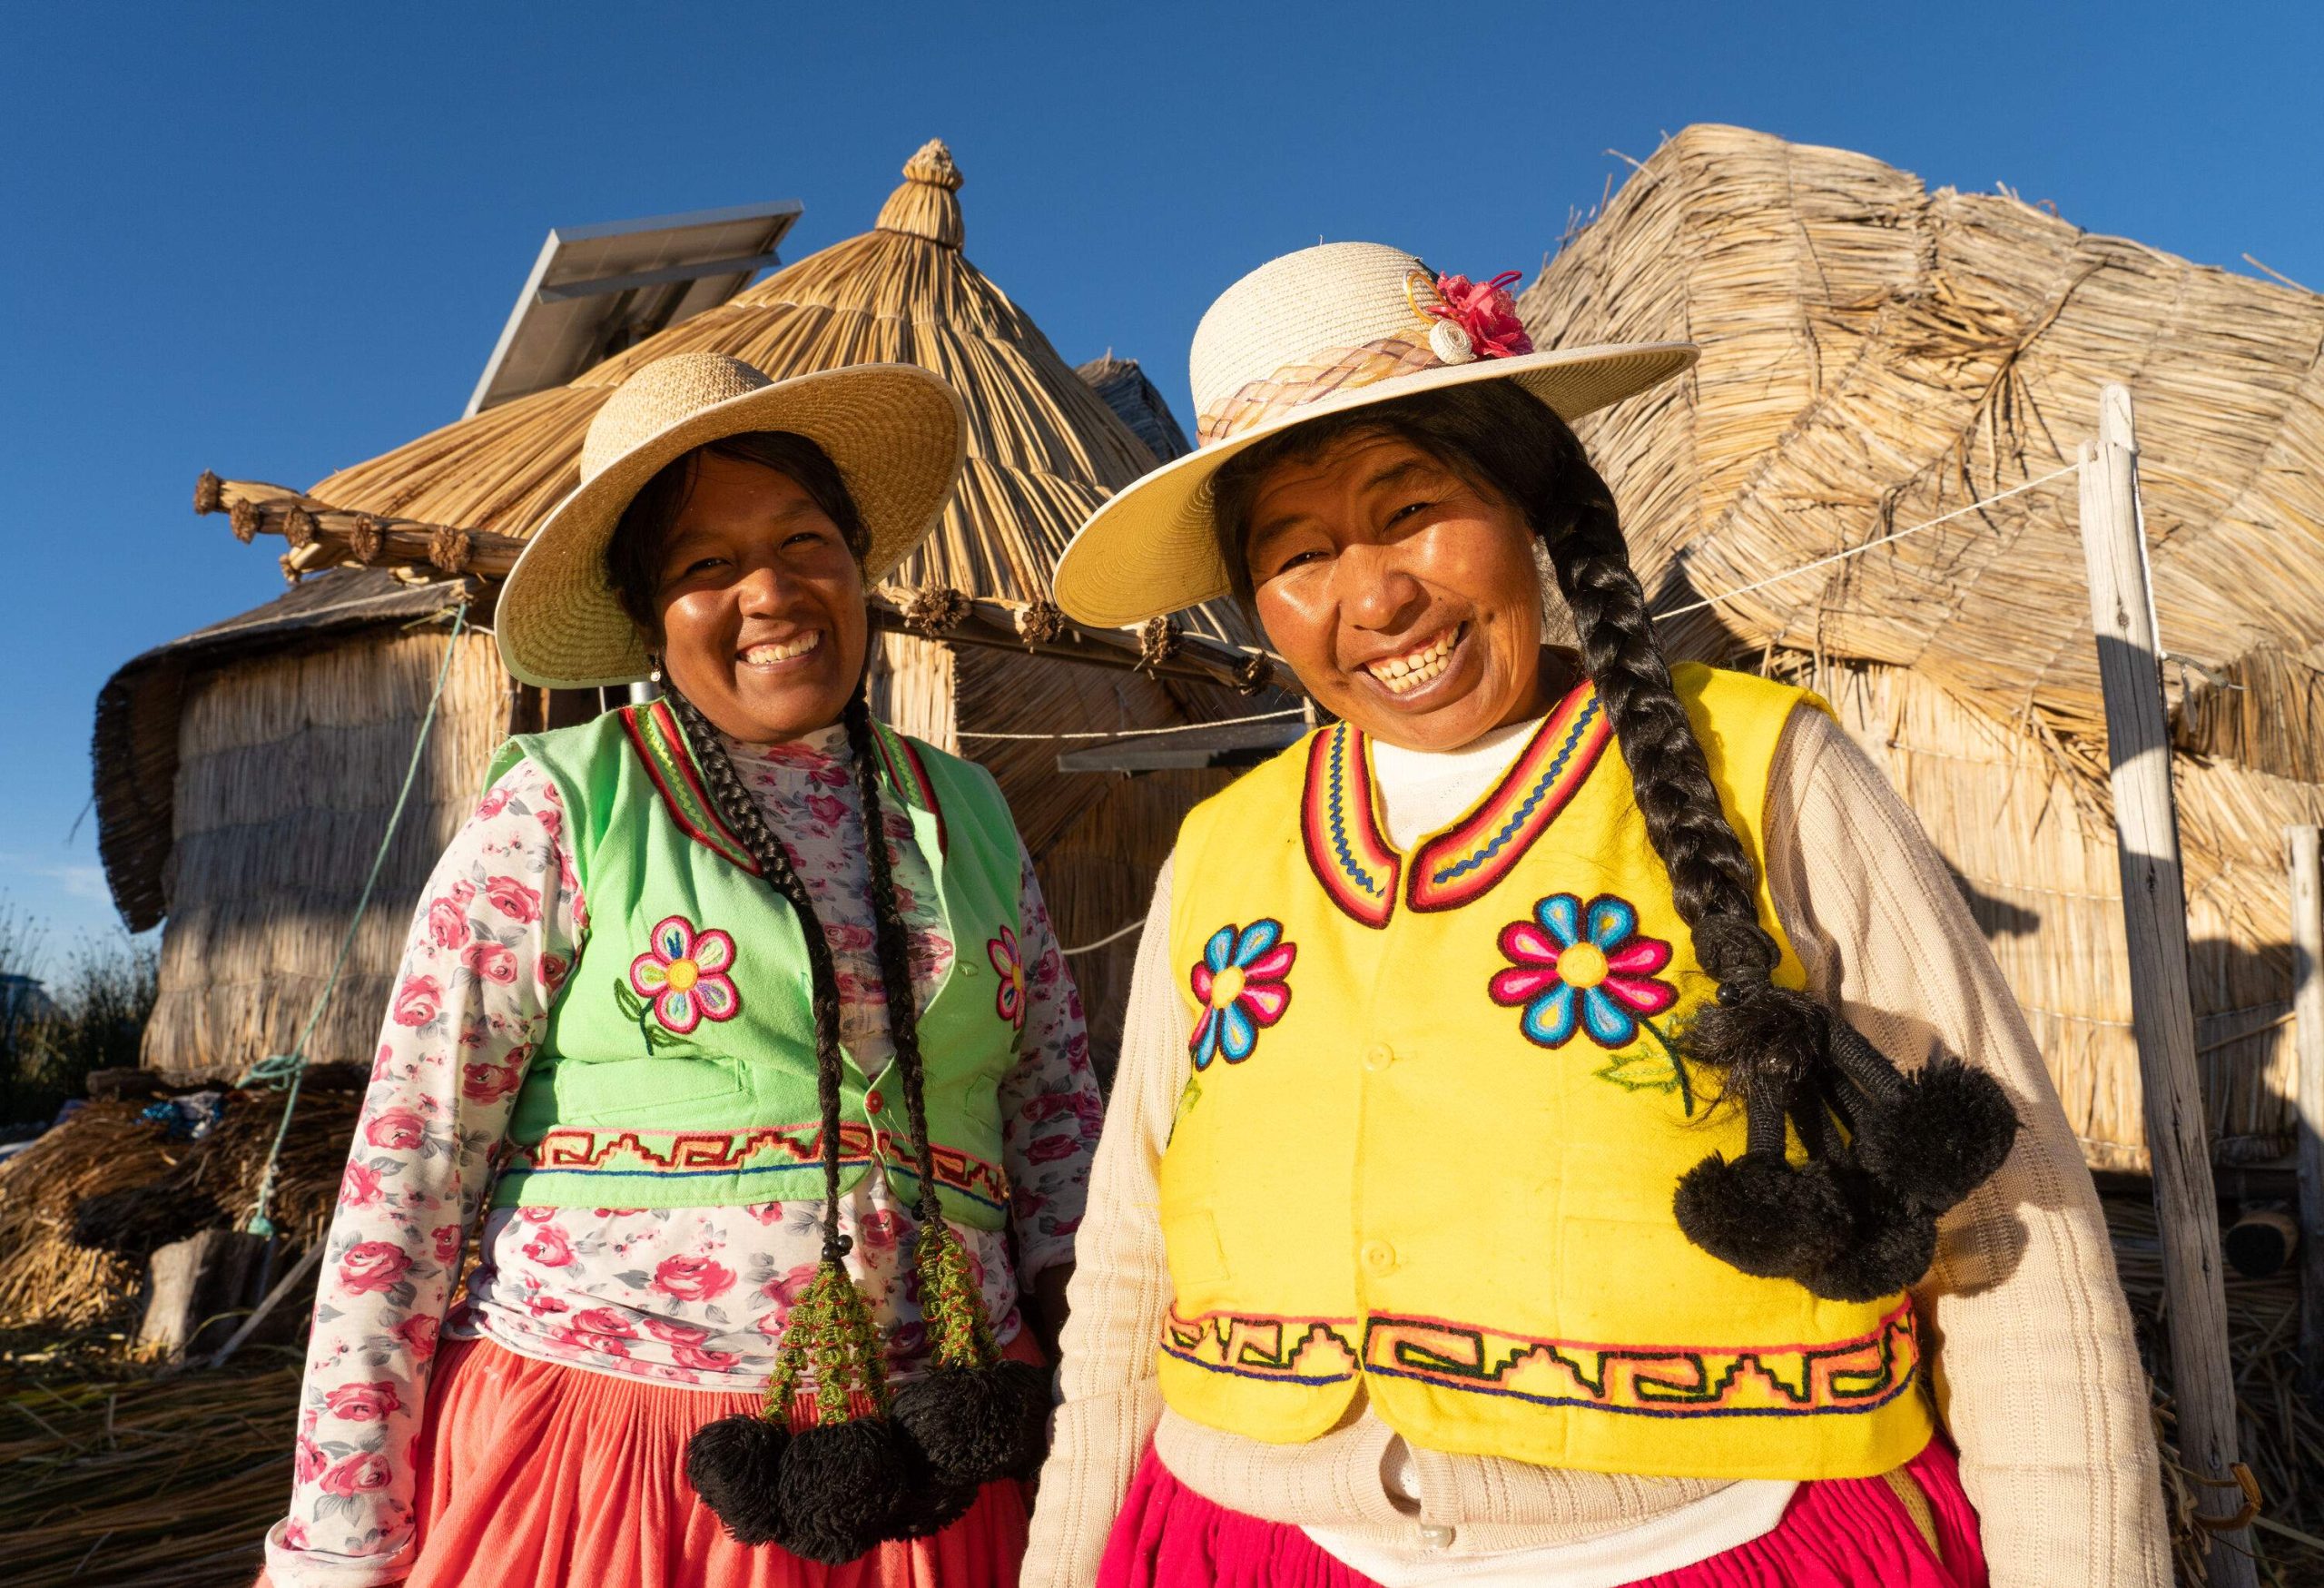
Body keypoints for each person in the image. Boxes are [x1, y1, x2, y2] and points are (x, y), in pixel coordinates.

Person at [1027, 244, 2169, 1588]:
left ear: (1527, 505)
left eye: (1412, 511)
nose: (1374, 597)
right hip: (1254, 1544)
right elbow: (1127, 1275)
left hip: (1714, 1549)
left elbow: (2011, 1240)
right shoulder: (1222, 853)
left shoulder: (1770, 774)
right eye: (1299, 555)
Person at [261, 351, 1102, 1588]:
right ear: (651, 615)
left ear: (857, 563)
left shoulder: (963, 811)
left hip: (949, 1473)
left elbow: (1058, 1137)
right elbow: (409, 1180)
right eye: (706, 565)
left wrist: (1109, 1414)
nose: (770, 591)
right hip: (618, 1478)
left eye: (807, 541)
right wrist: (339, 1540)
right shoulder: (561, 808)